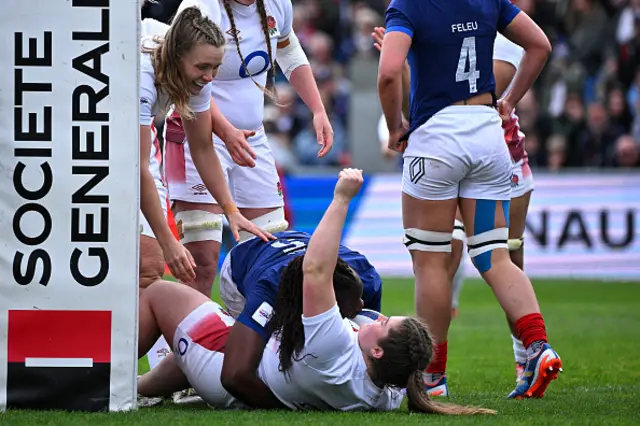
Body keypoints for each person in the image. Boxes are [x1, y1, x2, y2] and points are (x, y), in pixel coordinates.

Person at [138, 169, 494, 415]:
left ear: (378, 351)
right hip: (257, 370)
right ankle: (140, 387)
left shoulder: (334, 348)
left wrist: (341, 199)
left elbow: (315, 269)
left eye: (384, 324)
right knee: (205, 339)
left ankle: (98, 373)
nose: (377, 316)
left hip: (227, 376)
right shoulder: (387, 395)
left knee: (158, 294)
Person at [377, 0, 562, 399]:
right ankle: (537, 346)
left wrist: (395, 127)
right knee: (495, 255)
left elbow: (389, 73)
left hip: (437, 136)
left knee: (431, 263)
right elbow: (540, 45)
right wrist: (509, 101)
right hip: (485, 132)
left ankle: (433, 377)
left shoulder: (407, 5)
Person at [164, 0, 334, 298]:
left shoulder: (277, 4)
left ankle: (256, 341)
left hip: (252, 140)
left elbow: (288, 48)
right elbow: (182, 77)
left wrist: (318, 109)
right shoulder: (201, 7)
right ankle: (183, 343)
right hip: (196, 138)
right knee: (200, 265)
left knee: (272, 258)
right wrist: (226, 131)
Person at [138, 6, 273, 371]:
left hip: (135, 149)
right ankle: (113, 369)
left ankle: (135, 372)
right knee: (149, 265)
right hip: (98, 149)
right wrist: (168, 241)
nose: (209, 78)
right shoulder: (141, 75)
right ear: (178, 53)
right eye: (203, 68)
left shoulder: (191, 74)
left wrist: (231, 211)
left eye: (215, 68)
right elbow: (135, 169)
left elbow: (202, 148)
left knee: (147, 274)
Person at [217, 229, 383, 408]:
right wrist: (293, 405)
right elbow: (234, 375)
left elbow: (368, 351)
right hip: (243, 262)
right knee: (262, 356)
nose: (361, 306)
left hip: (294, 239)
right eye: (353, 303)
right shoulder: (270, 290)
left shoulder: (367, 280)